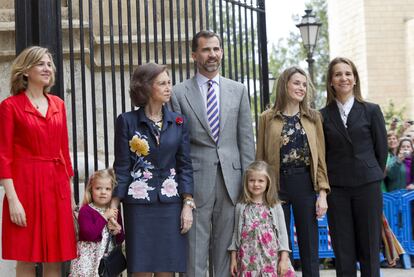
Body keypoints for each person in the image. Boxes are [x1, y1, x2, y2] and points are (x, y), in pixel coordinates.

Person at [170, 30, 255, 276]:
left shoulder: (238, 90)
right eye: (206, 49)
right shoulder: (178, 93)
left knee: (226, 253)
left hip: (232, 182)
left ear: (222, 52)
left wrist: (249, 184)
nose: (212, 54)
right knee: (194, 252)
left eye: (216, 49)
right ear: (194, 54)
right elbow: (178, 146)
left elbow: (245, 140)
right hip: (196, 183)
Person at [111, 63, 194, 276]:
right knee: (140, 269)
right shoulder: (127, 121)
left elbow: (185, 165)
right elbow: (121, 166)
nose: (169, 88)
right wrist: (113, 206)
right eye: (162, 83)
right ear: (146, 87)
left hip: (171, 205)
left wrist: (187, 204)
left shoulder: (179, 122)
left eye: (169, 83)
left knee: (167, 269)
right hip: (138, 206)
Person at [0, 46, 77, 276]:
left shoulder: (58, 105)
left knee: (54, 258)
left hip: (57, 188)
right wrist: (12, 200)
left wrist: (71, 195)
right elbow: (4, 155)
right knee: (26, 257)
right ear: (26, 71)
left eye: (49, 64)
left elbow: (64, 151)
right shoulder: (10, 106)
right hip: (25, 188)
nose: (47, 69)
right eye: (41, 64)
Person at [256, 66, 330, 277]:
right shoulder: (267, 118)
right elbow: (260, 157)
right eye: (296, 83)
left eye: (304, 84)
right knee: (279, 245)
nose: (301, 88)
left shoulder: (313, 118)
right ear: (284, 85)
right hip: (276, 187)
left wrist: (322, 194)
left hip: (305, 184)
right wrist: (260, 193)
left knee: (309, 247)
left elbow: (321, 158)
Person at [320, 57, 387, 277]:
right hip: (337, 189)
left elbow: (381, 151)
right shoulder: (322, 115)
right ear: (331, 81)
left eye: (348, 74)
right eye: (338, 74)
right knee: (343, 250)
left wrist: (371, 174)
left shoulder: (371, 110)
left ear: (355, 79)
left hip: (367, 186)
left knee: (369, 248)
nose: (344, 78)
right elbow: (323, 152)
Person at [228, 161, 295, 277]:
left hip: (271, 259)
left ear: (268, 183)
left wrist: (284, 259)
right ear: (246, 182)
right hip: (248, 261)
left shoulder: (275, 206)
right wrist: (233, 259)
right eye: (252, 180)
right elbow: (235, 234)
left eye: (260, 181)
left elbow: (283, 234)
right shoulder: (241, 207)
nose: (256, 184)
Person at [70, 168, 124, 276]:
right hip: (87, 260)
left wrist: (117, 231)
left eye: (108, 189)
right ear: (91, 189)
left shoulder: (112, 211)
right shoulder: (86, 211)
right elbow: (89, 234)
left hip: (104, 260)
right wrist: (104, 217)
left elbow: (120, 239)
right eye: (98, 188)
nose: (103, 192)